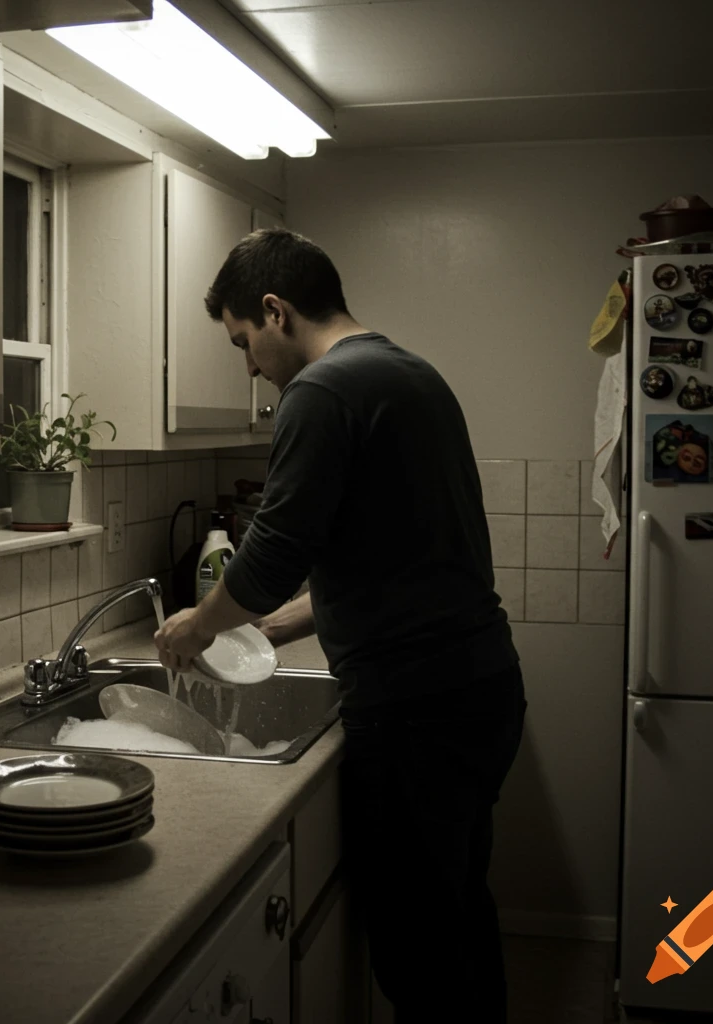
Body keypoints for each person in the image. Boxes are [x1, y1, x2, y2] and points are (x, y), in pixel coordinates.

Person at [154, 228, 526, 1022]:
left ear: (275, 310)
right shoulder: (408, 373)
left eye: (244, 342)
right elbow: (384, 556)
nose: (249, 366)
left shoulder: (322, 392)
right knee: (457, 920)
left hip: (417, 708)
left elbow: (270, 559)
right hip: (477, 690)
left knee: (419, 954)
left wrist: (195, 627)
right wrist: (265, 631)